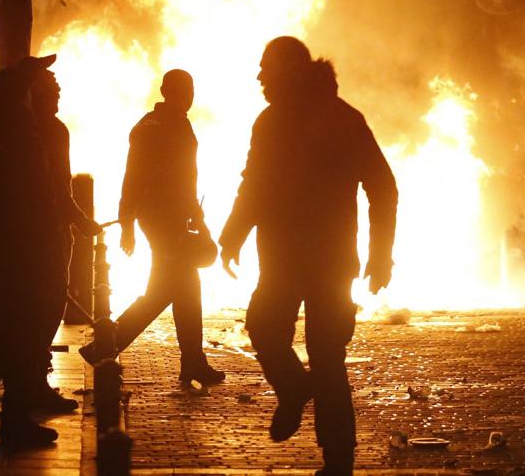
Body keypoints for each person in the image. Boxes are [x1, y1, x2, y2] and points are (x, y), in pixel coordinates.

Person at [219, 37, 398, 476]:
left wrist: (382, 254)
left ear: (290, 71)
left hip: (309, 260)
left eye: (266, 67)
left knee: (316, 355)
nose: (259, 76)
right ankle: (304, 400)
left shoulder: (329, 120)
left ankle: (333, 455)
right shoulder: (292, 120)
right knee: (284, 340)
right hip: (307, 260)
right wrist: (232, 234)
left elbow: (382, 186)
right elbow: (255, 185)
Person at [81, 69, 224, 386]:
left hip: (169, 216)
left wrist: (193, 217)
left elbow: (182, 179)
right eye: (182, 89)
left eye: (190, 88)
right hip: (163, 218)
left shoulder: (167, 123)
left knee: (183, 288)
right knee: (169, 289)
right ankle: (106, 345)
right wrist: (127, 221)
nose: (188, 95)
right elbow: (134, 174)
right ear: (165, 90)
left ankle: (191, 362)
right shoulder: (155, 126)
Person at [0, 67, 64, 447]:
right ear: (20, 96)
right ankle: (15, 421)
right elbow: (38, 199)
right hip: (23, 251)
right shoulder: (23, 134)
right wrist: (48, 250)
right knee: (24, 334)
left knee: (3, 330)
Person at [23, 55, 101, 412]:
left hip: (30, 233)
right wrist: (81, 221)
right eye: (50, 85)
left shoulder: (17, 126)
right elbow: (59, 187)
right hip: (45, 234)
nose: (57, 90)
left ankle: (16, 387)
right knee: (46, 306)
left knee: (27, 311)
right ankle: (31, 386)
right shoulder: (49, 130)